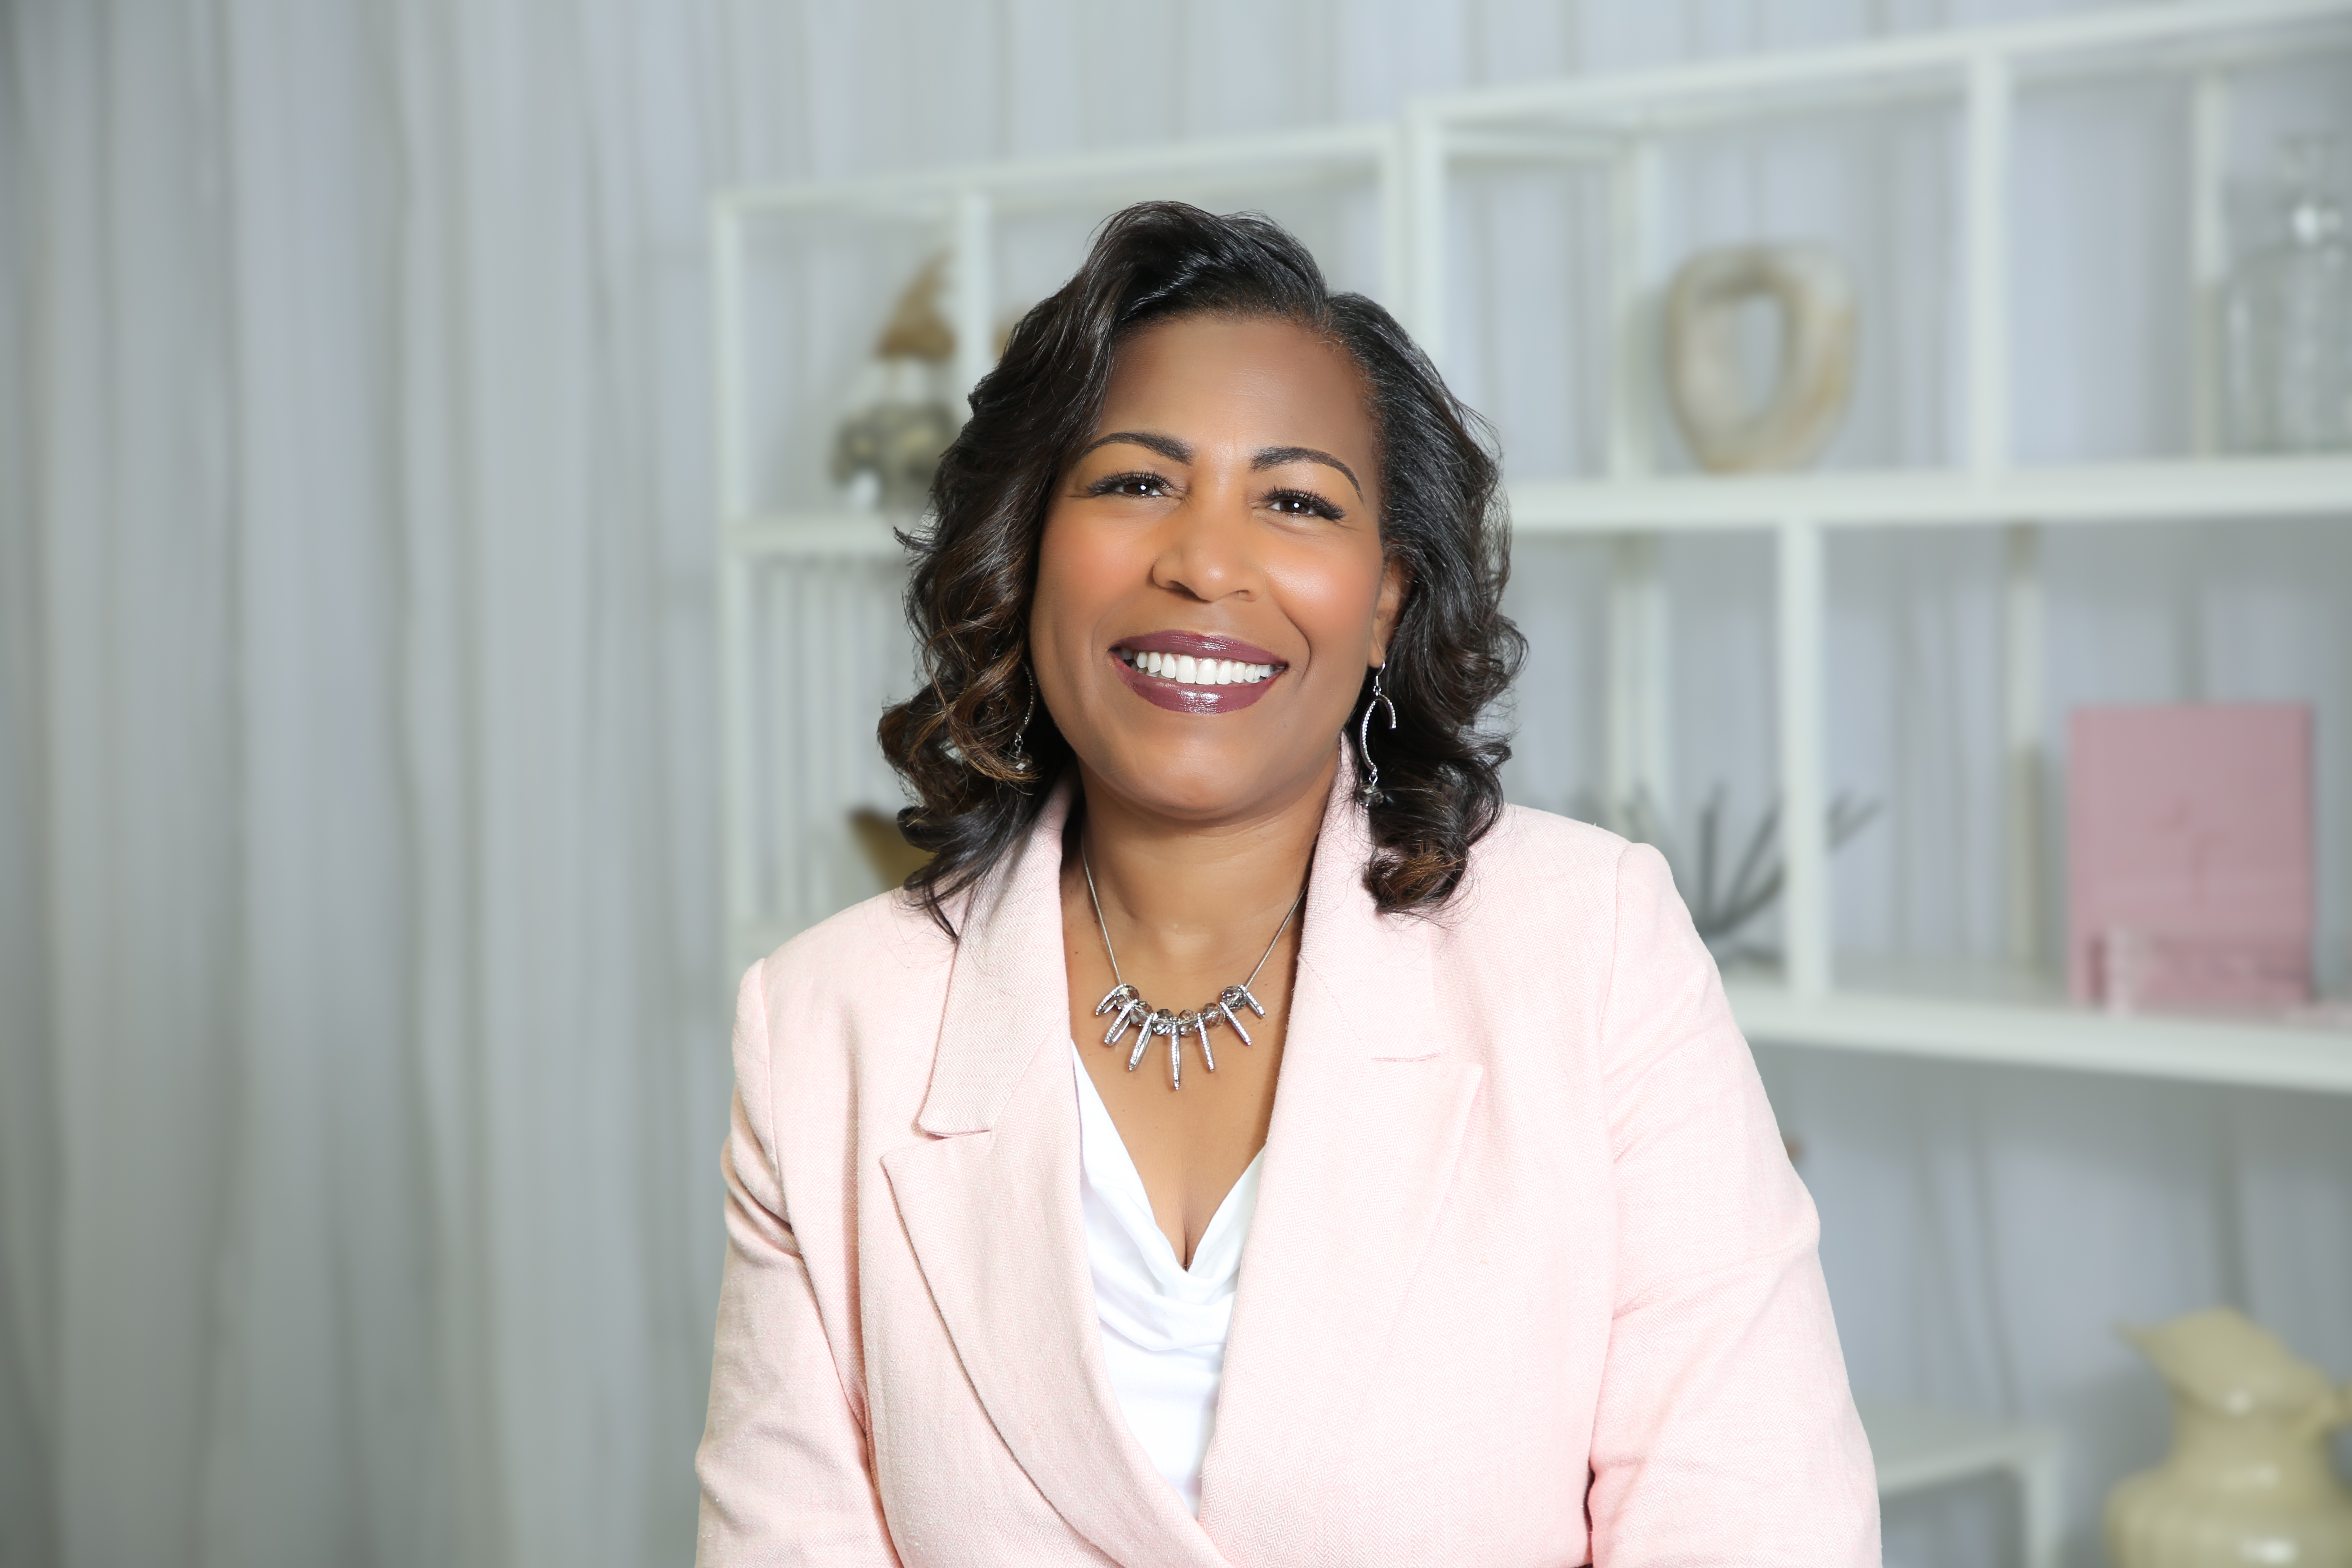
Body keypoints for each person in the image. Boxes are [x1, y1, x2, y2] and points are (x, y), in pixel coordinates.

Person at [694, 202, 1878, 1567]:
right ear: (1023, 553)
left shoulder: (1595, 948)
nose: (1203, 558)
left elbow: (1755, 1524)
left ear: (1385, 599)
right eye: (1135, 482)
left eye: (1297, 501)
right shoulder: (823, 1028)